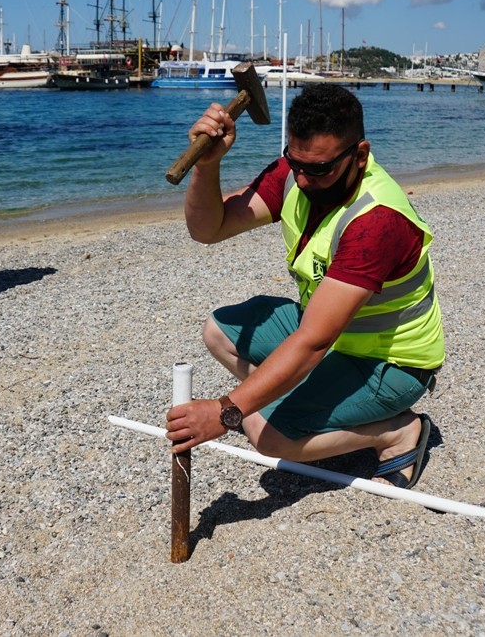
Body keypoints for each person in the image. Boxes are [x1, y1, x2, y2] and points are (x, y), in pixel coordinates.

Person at [165, 83, 445, 489]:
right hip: (332, 332)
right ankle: (297, 411)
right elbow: (208, 228)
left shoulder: (377, 220)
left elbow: (313, 341)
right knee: (219, 332)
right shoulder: (298, 173)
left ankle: (395, 431)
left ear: (360, 155)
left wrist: (227, 412)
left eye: (319, 170)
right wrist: (207, 165)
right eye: (294, 163)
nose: (303, 180)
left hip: (390, 362)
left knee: (267, 435)